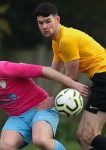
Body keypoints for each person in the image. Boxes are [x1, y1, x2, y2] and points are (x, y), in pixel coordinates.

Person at [0, 42, 88, 150]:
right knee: (6, 146)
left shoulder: (5, 68)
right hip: (18, 117)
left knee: (41, 140)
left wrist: (72, 83)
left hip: (41, 107)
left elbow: (44, 71)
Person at [34, 2, 106, 150]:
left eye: (48, 21)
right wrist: (27, 76)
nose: (45, 26)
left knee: (90, 136)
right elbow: (53, 73)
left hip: (104, 78)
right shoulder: (56, 41)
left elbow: (72, 78)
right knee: (81, 137)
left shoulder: (67, 40)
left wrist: (54, 99)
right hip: (100, 80)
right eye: (40, 23)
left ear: (57, 19)